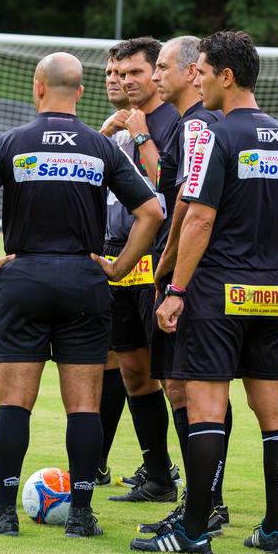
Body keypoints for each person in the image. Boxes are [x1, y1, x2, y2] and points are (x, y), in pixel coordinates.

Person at [0, 52, 163, 538]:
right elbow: (151, 211)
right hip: (83, 281)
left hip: (22, 277)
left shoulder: (10, 143)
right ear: (82, 93)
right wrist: (117, 267)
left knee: (15, 404)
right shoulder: (102, 147)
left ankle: (3, 513)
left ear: (38, 86)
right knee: (84, 406)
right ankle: (83, 515)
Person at [132, 31, 278, 554]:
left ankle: (193, 531)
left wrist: (175, 288)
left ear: (227, 77)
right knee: (273, 412)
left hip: (217, 289)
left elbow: (198, 217)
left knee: (207, 405)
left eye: (204, 71)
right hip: (269, 291)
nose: (198, 79)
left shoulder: (214, 134)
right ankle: (275, 530)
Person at [139, 35, 231, 537]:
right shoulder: (193, 124)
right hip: (206, 275)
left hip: (193, 277)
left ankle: (206, 502)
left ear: (194, 70)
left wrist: (169, 276)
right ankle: (203, 500)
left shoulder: (199, 127)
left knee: (197, 391)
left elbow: (185, 210)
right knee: (188, 388)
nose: (155, 75)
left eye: (162, 66)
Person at [99, 37, 182, 504]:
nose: (126, 81)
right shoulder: (122, 125)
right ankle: (158, 475)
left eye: (134, 73)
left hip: (158, 261)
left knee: (174, 379)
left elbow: (167, 191)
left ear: (157, 74)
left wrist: (141, 132)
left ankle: (206, 496)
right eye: (118, 73)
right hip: (121, 257)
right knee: (133, 372)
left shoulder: (172, 122)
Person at [95, 53, 131, 485]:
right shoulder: (112, 129)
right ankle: (98, 463)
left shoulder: (155, 128)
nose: (114, 79)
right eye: (109, 73)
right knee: (110, 359)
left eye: (124, 73)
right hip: (109, 251)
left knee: (143, 369)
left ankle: (160, 467)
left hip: (142, 260)